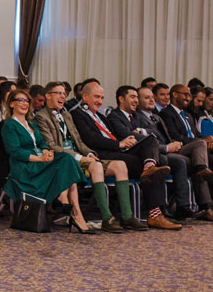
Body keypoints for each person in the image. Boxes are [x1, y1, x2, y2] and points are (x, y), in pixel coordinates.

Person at [34, 81, 140, 233]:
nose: (63, 96)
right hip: (63, 160)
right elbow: (52, 146)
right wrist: (81, 157)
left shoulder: (66, 114)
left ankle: (127, 216)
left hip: (79, 157)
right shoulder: (41, 117)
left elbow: (79, 141)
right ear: (48, 96)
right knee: (96, 166)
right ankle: (107, 217)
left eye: (64, 94)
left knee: (120, 165)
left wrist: (89, 153)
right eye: (58, 93)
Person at [72, 81, 179, 230]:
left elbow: (113, 135)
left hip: (117, 150)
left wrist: (126, 141)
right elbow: (91, 139)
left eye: (102, 98)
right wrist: (119, 144)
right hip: (101, 153)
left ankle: (149, 169)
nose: (100, 101)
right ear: (85, 97)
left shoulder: (100, 116)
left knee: (151, 142)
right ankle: (153, 214)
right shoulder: (77, 114)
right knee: (154, 165)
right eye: (96, 97)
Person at [0, 88, 95, 233]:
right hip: (24, 167)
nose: (25, 104)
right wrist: (39, 158)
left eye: (27, 101)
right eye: (20, 100)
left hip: (39, 162)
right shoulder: (9, 125)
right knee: (65, 162)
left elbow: (42, 143)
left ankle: (71, 205)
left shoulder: (31, 123)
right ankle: (74, 211)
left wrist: (46, 152)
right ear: (11, 104)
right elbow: (15, 151)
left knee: (66, 158)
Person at [107, 85, 192, 222]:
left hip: (147, 153)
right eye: (132, 97)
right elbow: (126, 135)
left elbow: (155, 132)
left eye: (136, 97)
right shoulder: (114, 116)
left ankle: (181, 206)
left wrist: (143, 131)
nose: (136, 101)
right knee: (161, 159)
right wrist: (146, 137)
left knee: (177, 162)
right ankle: (158, 210)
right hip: (129, 154)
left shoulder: (137, 115)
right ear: (121, 99)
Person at [155, 84, 213, 221]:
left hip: (195, 151)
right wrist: (202, 141)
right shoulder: (166, 113)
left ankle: (207, 208)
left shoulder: (187, 115)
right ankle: (201, 169)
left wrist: (208, 140)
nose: (188, 98)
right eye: (185, 94)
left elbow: (196, 134)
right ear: (175, 95)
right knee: (200, 148)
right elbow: (174, 136)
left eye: (189, 95)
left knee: (205, 158)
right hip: (179, 148)